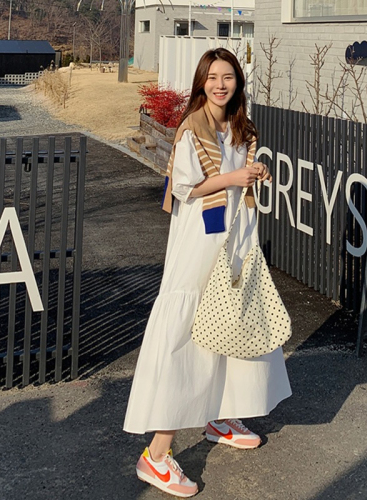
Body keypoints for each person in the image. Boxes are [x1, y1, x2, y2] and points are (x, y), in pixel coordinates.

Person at [123, 48, 292, 498]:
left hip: (234, 237)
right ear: (201, 82)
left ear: (238, 82)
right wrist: (232, 179)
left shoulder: (241, 127)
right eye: (213, 77)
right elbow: (184, 187)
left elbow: (239, 176)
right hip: (198, 242)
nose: (221, 84)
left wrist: (255, 172)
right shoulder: (191, 128)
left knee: (231, 320)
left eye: (229, 77)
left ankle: (220, 414)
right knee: (187, 335)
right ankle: (156, 455)